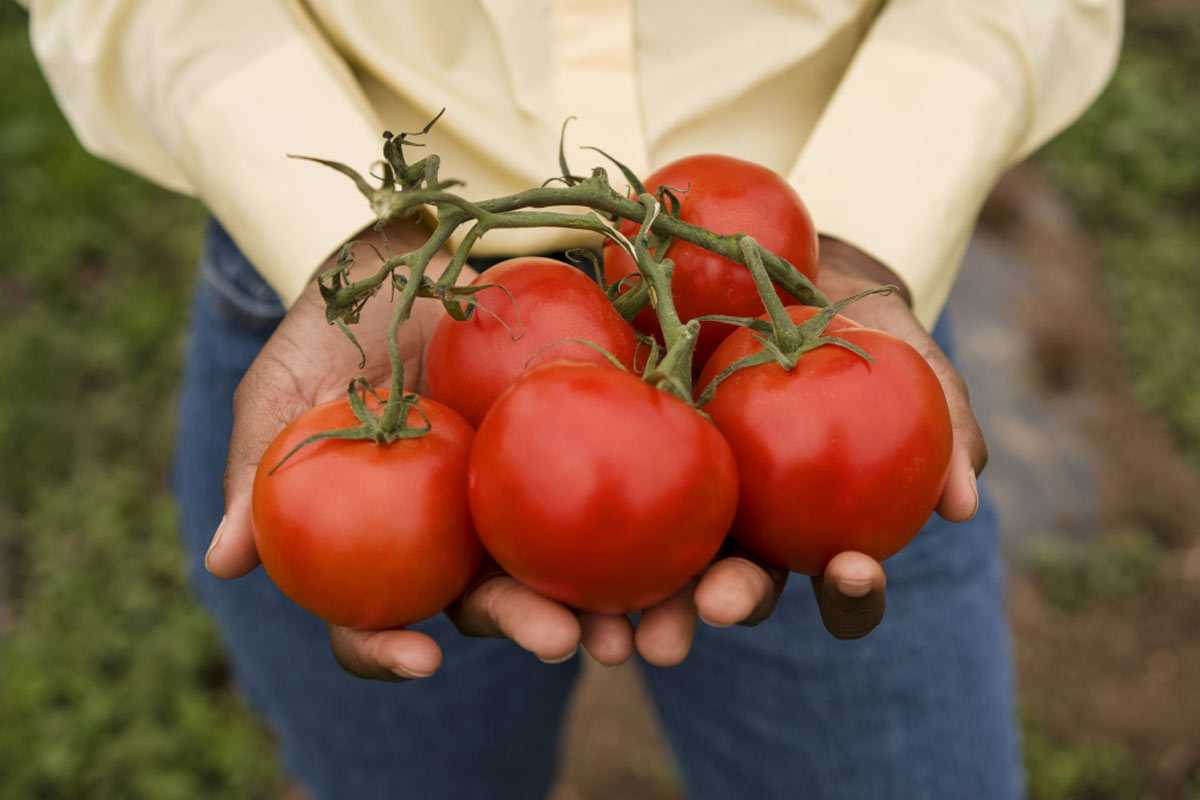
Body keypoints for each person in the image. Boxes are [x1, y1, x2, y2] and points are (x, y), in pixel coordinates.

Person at [25, 2, 1122, 797]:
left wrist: (866, 227)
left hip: (803, 302)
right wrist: (348, 229)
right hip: (366, 322)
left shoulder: (815, 358)